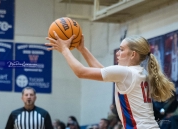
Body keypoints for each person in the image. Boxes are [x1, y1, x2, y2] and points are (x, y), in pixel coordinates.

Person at [45, 32, 175, 129]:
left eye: (122, 49)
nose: (118, 53)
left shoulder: (125, 72)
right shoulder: (139, 72)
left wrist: (64, 50)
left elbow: (81, 72)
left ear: (133, 54)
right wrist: (82, 49)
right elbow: (104, 71)